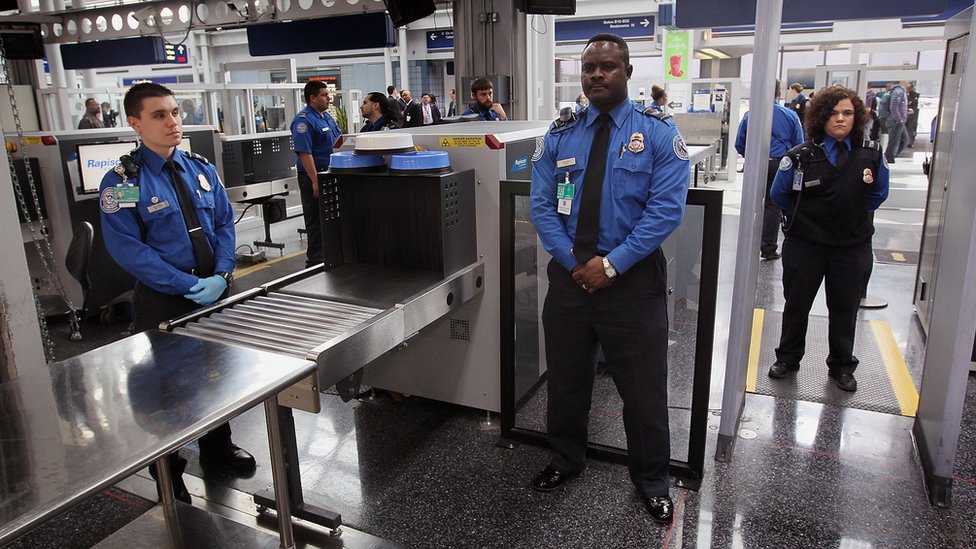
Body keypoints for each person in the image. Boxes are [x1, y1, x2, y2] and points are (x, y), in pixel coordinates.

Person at [529, 33, 689, 524]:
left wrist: (612, 264)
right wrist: (574, 262)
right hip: (571, 278)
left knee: (642, 390)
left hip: (632, 283)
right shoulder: (561, 133)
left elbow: (665, 210)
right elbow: (542, 204)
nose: (597, 75)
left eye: (607, 67)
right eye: (589, 68)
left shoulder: (657, 132)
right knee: (567, 381)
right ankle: (565, 458)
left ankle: (652, 480)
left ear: (627, 72)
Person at [98, 82, 255, 503]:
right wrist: (187, 285)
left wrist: (222, 274)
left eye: (175, 112)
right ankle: (168, 470)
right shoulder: (123, 182)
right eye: (159, 115)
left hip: (214, 290)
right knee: (166, 390)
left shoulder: (201, 168)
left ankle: (217, 448)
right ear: (135, 123)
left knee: (215, 375)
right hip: (164, 297)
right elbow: (128, 249)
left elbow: (224, 224)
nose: (173, 122)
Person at [769, 85, 889, 393]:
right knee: (797, 304)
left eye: (847, 113)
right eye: (834, 113)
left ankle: (841, 365)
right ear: (821, 117)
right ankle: (788, 357)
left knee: (845, 308)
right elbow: (779, 195)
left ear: (857, 118)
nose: (840, 119)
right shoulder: (800, 157)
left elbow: (878, 194)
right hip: (806, 245)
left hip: (851, 247)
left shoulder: (871, 155)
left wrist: (847, 214)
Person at [734, 79, 804, 261]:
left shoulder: (751, 115)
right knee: (773, 205)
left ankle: (746, 247)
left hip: (756, 162)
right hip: (780, 164)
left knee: (752, 203)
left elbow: (739, 143)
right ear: (778, 92)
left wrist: (750, 156)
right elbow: (799, 145)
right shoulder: (789, 115)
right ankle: (768, 248)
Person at [291, 81, 341, 267]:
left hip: (329, 173)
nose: (328, 98)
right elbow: (305, 153)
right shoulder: (303, 121)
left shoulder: (326, 117)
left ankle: (331, 255)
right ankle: (315, 260)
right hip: (313, 175)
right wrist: (315, 180)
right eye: (323, 95)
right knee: (316, 218)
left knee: (330, 217)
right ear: (312, 98)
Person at [885, 81, 910, 163]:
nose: (909, 84)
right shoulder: (898, 92)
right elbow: (894, 106)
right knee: (894, 140)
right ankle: (889, 158)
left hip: (898, 120)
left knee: (903, 139)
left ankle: (891, 156)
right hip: (896, 121)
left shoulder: (899, 91)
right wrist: (899, 119)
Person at [906, 83, 920, 147]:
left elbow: (915, 104)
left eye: (909, 88)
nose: (907, 89)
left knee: (911, 128)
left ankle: (910, 142)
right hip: (906, 113)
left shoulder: (916, 95)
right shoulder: (906, 95)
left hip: (913, 114)